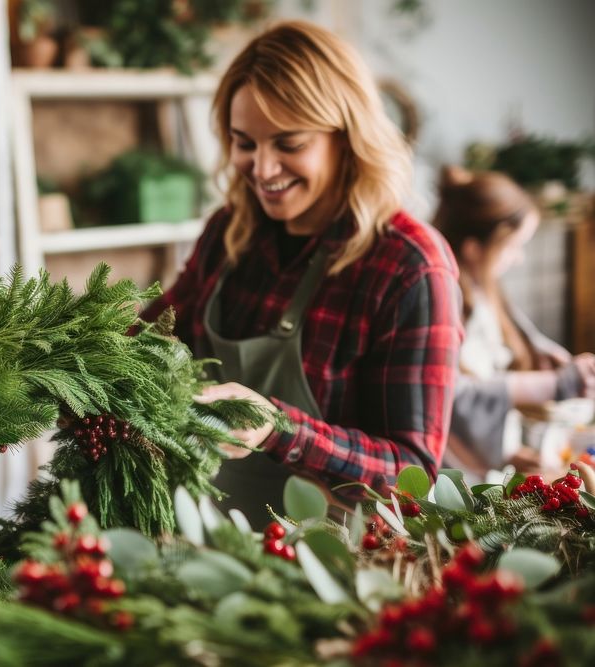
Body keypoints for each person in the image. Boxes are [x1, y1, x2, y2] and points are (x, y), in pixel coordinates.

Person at [141, 21, 463, 526]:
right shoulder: (230, 233)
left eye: (288, 144)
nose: (262, 169)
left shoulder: (409, 267)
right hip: (201, 532)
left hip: (332, 561)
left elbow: (412, 471)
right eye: (244, 142)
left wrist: (278, 430)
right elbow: (151, 333)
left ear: (348, 137)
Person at [432, 166, 595, 479]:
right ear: (473, 248)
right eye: (513, 246)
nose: (518, 258)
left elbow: (522, 336)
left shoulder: (485, 287)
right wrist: (558, 384)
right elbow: (453, 397)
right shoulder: (445, 302)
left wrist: (548, 357)